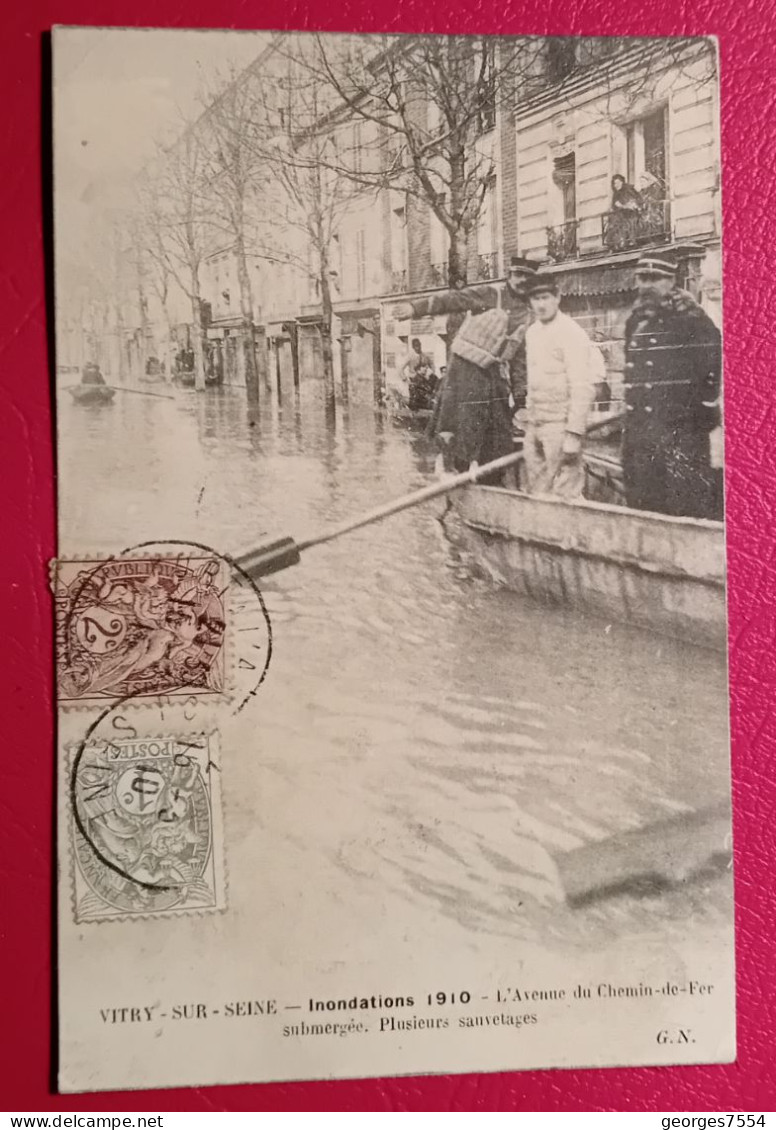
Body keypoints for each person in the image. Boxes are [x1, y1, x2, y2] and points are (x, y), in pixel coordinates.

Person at [621, 252, 722, 519]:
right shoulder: (635, 321)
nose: (646, 286)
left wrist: (698, 416)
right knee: (642, 507)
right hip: (641, 437)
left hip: (681, 437)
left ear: (672, 281)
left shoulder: (692, 319)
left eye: (655, 279)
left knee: (685, 510)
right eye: (642, 278)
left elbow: (711, 370)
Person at [522, 273, 598, 499]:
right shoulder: (532, 333)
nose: (541, 305)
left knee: (566, 492)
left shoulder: (571, 332)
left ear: (557, 297)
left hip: (560, 426)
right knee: (537, 490)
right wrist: (529, 421)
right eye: (535, 299)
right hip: (535, 425)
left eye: (545, 297)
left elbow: (582, 386)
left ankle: (571, 535)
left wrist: (574, 434)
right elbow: (532, 378)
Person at [435, 308, 514, 483]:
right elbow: (448, 413)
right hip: (467, 444)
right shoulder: (462, 365)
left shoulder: (492, 366)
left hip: (487, 443)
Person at [606, 174, 643, 250]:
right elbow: (616, 204)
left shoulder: (629, 189)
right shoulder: (615, 194)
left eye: (618, 182)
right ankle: (621, 242)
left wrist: (633, 205)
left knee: (631, 223)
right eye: (615, 183)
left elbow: (637, 199)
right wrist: (622, 206)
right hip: (621, 216)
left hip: (631, 214)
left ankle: (631, 240)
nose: (616, 185)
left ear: (622, 182)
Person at [401, 338, 437, 411]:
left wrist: (430, 373)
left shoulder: (424, 356)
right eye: (416, 346)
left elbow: (432, 365)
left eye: (419, 345)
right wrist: (405, 378)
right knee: (414, 397)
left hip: (423, 379)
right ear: (413, 347)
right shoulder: (410, 357)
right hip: (413, 379)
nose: (418, 347)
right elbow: (401, 368)